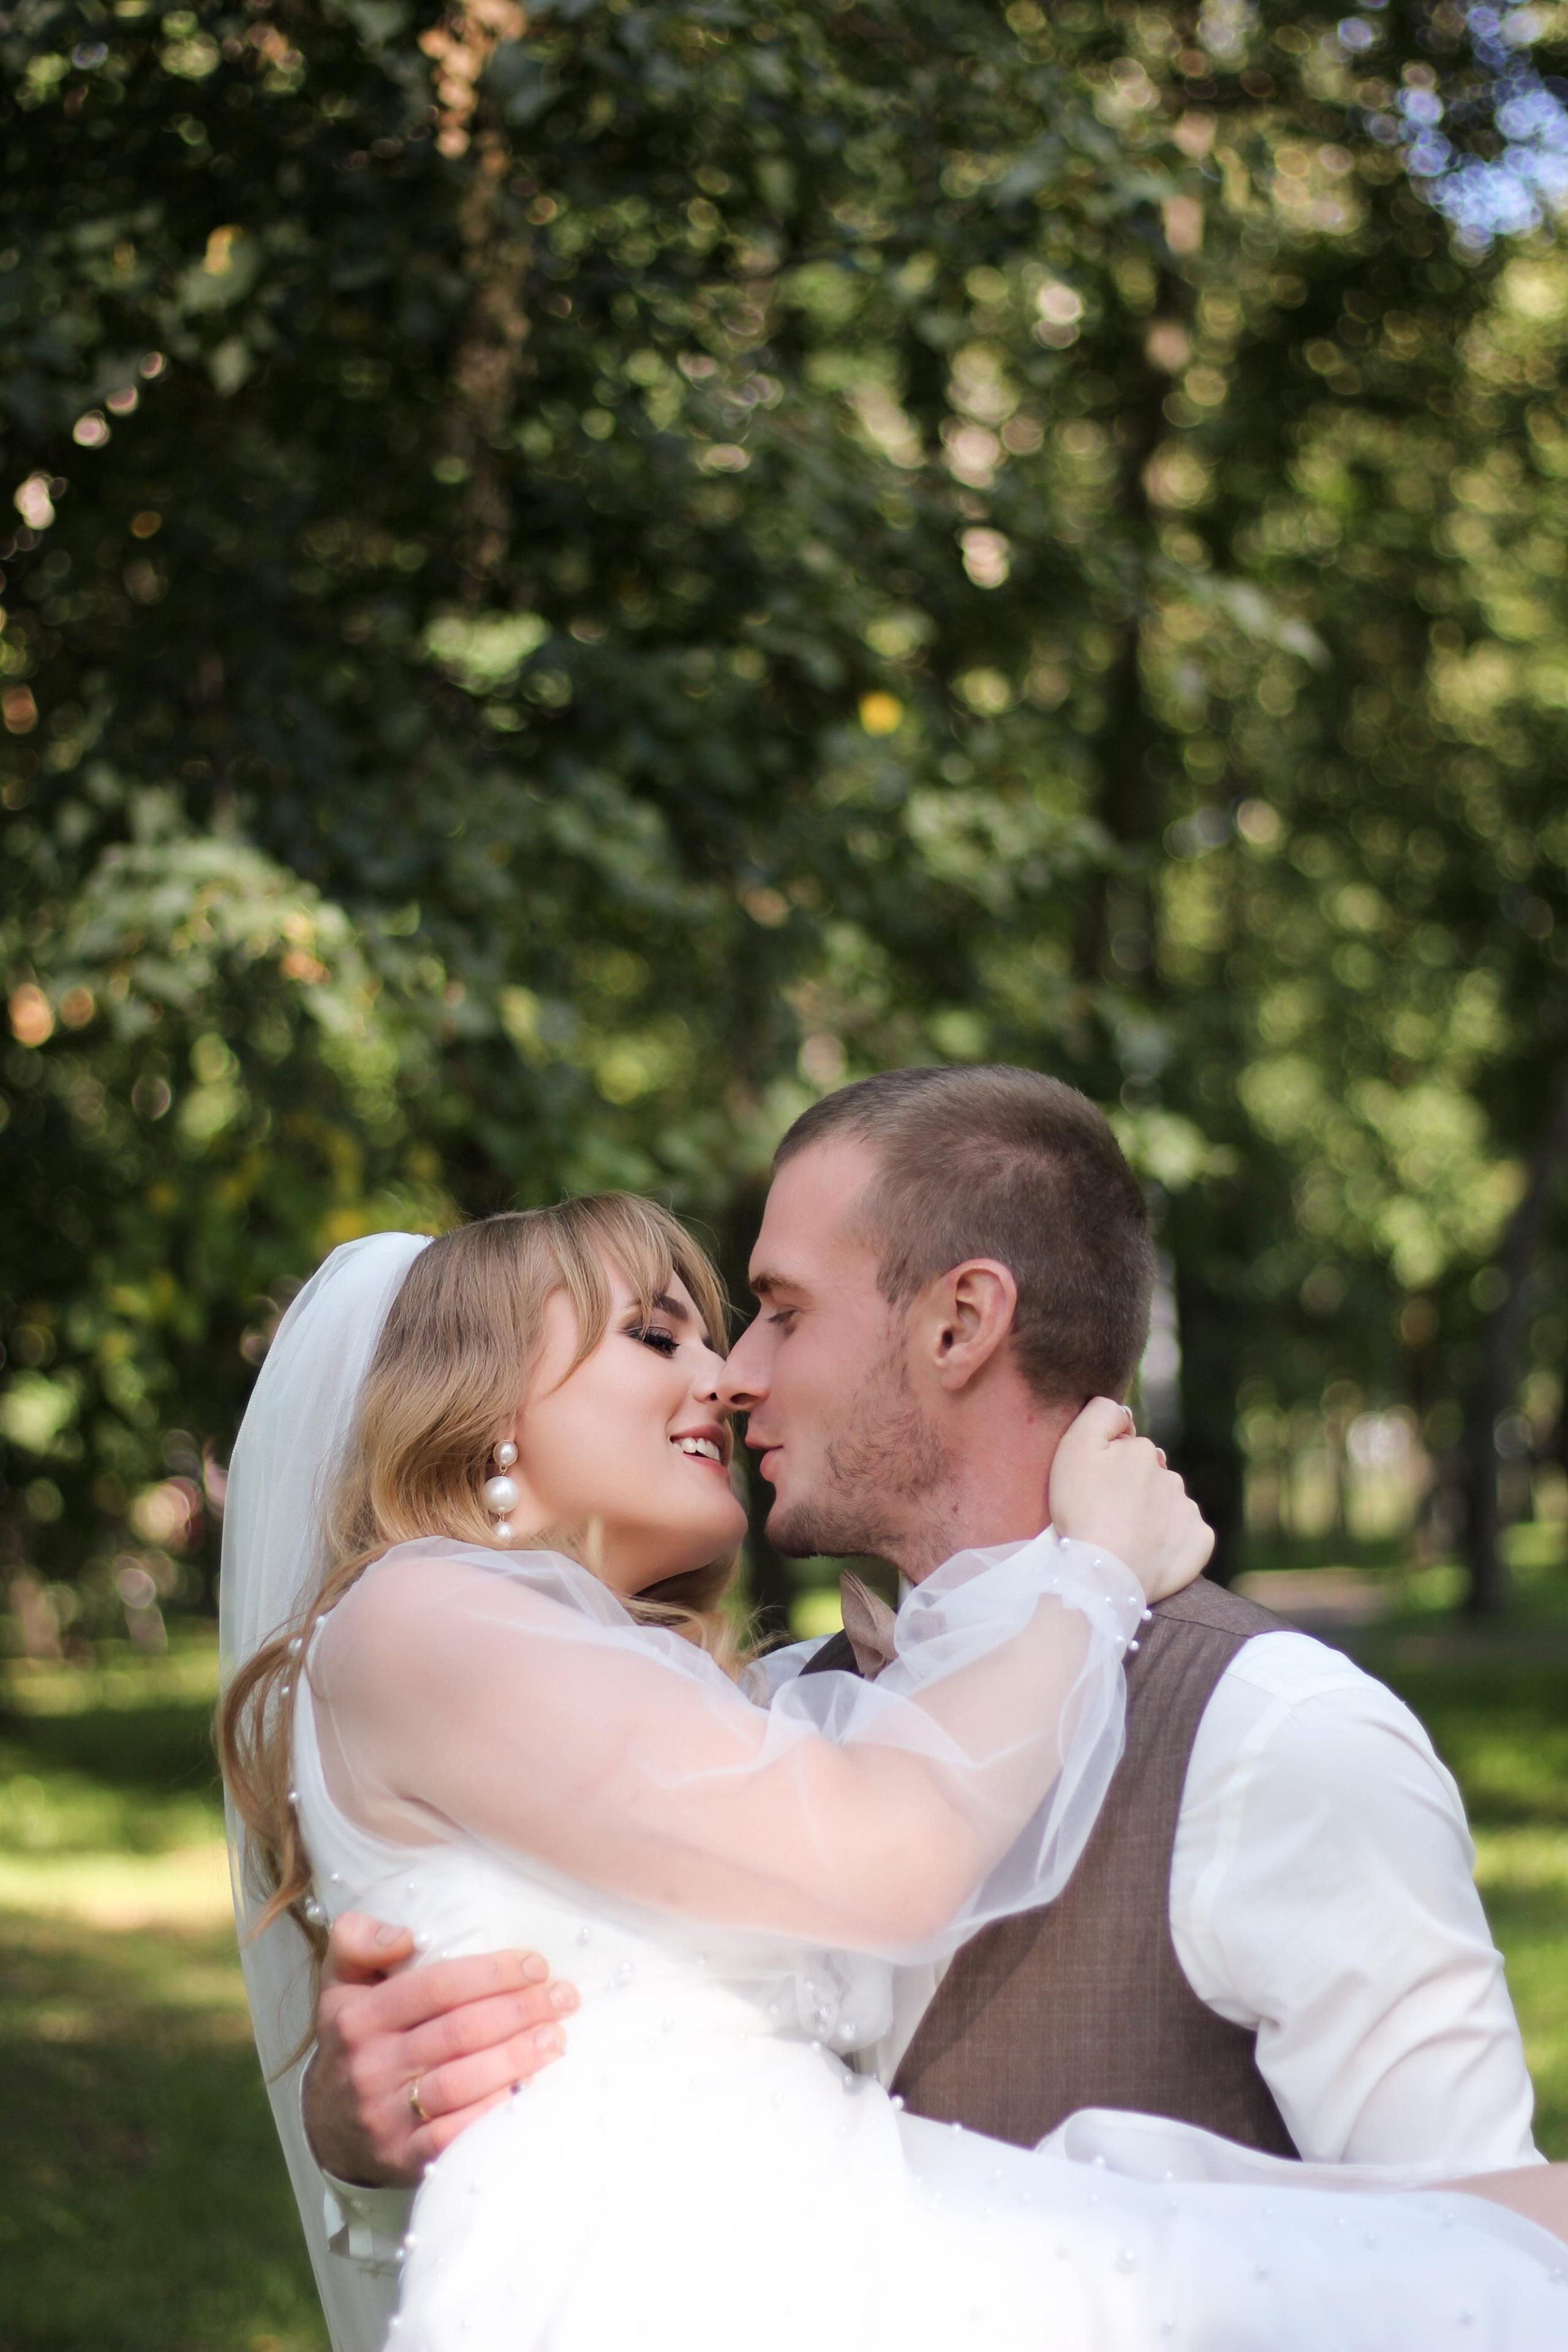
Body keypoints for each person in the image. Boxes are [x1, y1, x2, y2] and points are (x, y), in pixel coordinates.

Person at [219, 1191, 1568, 2352]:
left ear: (961, 1324)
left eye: (756, 1320)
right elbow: (887, 1853)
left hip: (790, 2231)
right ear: (480, 1403)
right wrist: (1089, 1575)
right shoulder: (418, 1616)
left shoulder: (1263, 1723)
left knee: (1498, 2233)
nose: (723, 1377)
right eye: (658, 1335)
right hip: (690, 2276)